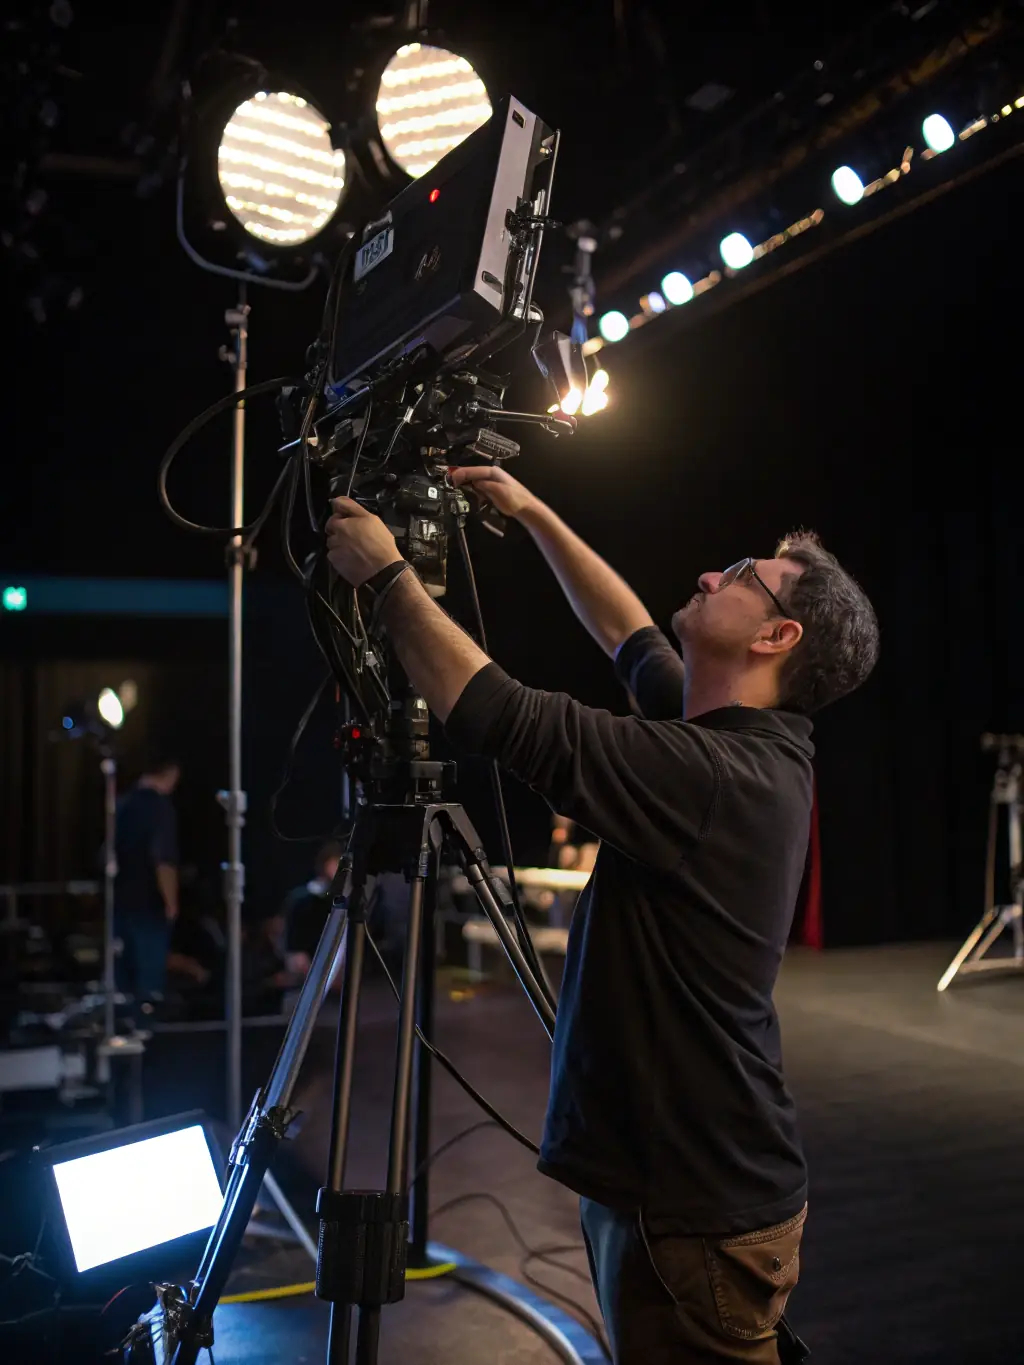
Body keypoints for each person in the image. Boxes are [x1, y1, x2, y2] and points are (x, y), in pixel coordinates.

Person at [325, 466, 879, 1365]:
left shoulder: (712, 776)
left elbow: (499, 712)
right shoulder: (731, 736)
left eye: (741, 574)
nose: (709, 576)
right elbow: (627, 632)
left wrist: (387, 579)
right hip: (683, 1190)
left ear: (778, 635)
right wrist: (533, 510)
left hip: (695, 1209)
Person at [113, 753, 181, 1012]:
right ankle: (145, 1037)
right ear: (170, 773)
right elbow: (163, 858)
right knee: (148, 983)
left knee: (123, 983)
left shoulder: (122, 805)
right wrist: (171, 902)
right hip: (148, 906)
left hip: (121, 903)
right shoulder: (160, 808)